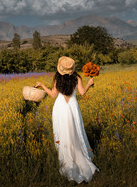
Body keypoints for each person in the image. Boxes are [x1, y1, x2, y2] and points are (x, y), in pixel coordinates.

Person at [35, 56, 99, 184]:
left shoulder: (57, 78)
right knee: (76, 131)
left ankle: (67, 158)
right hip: (73, 107)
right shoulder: (77, 77)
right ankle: (79, 155)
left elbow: (53, 95)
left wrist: (42, 85)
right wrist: (89, 84)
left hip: (60, 107)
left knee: (63, 132)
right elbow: (82, 93)